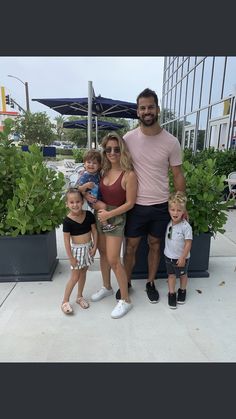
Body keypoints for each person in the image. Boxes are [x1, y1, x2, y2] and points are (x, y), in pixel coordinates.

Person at [115, 87, 186, 303]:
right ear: (137, 111)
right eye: (143, 108)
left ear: (157, 110)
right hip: (134, 205)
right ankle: (125, 282)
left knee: (155, 245)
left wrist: (183, 206)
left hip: (160, 206)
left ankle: (151, 282)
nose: (147, 111)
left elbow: (178, 175)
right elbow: (118, 168)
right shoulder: (127, 139)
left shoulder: (171, 142)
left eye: (151, 107)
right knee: (131, 248)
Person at [89, 132, 137, 319]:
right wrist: (95, 203)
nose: (112, 152)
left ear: (122, 150)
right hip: (100, 217)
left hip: (116, 219)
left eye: (116, 149)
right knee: (102, 255)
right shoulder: (103, 171)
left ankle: (125, 300)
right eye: (108, 149)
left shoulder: (129, 174)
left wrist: (109, 212)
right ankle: (107, 287)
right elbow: (93, 192)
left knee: (114, 260)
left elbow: (130, 203)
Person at [61, 188, 97, 315]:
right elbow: (66, 240)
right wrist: (70, 257)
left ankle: (79, 297)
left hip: (88, 248)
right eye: (71, 202)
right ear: (67, 204)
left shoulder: (89, 215)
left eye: (77, 201)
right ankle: (65, 301)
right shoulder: (67, 221)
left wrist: (95, 246)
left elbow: (94, 231)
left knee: (83, 273)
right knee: (75, 276)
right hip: (76, 251)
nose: (75, 204)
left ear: (82, 202)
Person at [164, 191, 193, 309]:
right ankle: (171, 293)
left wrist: (182, 257)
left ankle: (182, 290)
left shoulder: (186, 227)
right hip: (168, 256)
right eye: (173, 209)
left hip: (181, 258)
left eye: (179, 210)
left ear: (183, 212)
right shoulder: (169, 221)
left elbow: (188, 243)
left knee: (183, 275)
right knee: (171, 276)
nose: (175, 213)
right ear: (169, 210)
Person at [76, 149, 116, 232]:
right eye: (89, 162)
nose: (91, 165)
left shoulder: (97, 174)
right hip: (93, 199)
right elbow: (77, 188)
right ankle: (104, 225)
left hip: (98, 197)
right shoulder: (85, 175)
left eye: (94, 163)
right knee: (103, 206)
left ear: (99, 165)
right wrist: (85, 186)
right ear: (84, 163)